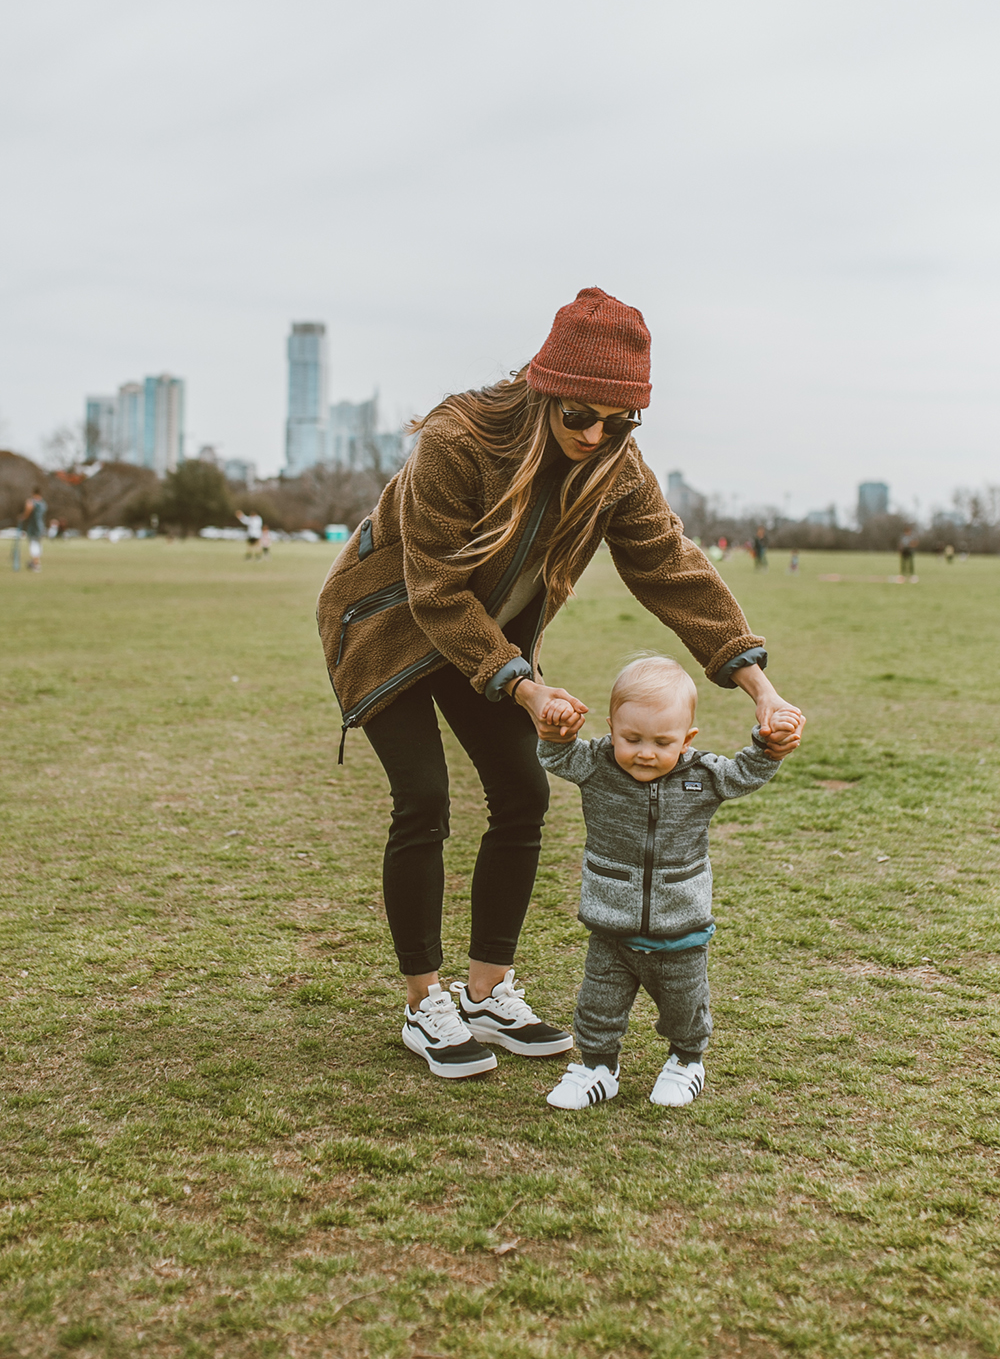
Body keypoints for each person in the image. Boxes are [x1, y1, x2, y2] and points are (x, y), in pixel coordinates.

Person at [317, 287, 805, 1081]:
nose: (595, 434)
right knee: (424, 798)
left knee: (523, 794)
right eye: (580, 414)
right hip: (390, 625)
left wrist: (759, 687)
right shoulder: (459, 439)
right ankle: (424, 1003)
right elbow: (436, 591)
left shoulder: (616, 468)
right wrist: (522, 685)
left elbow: (673, 570)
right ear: (545, 387)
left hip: (491, 644)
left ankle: (486, 990)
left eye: (619, 422)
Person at [538, 656, 795, 1110]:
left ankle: (685, 1061)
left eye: (662, 742)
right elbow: (558, 756)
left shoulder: (703, 775)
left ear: (687, 739)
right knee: (598, 1005)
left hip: (682, 929)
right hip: (610, 926)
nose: (645, 752)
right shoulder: (597, 766)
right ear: (612, 728)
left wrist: (770, 746)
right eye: (631, 738)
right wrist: (555, 731)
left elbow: (745, 774)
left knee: (684, 1008)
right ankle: (597, 1067)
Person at [19, 487, 47, 572]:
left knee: (33, 544)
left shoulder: (32, 502)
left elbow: (28, 510)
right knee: (38, 544)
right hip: (41, 526)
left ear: (33, 493)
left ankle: (35, 563)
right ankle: (36, 562)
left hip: (34, 526)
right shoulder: (43, 503)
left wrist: (23, 517)